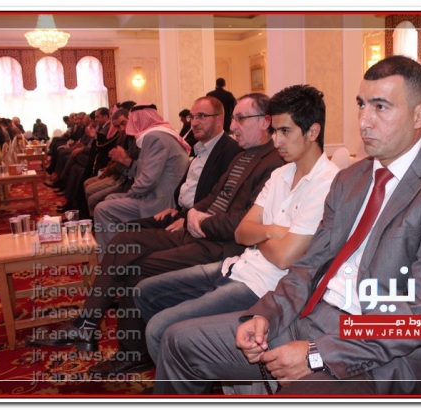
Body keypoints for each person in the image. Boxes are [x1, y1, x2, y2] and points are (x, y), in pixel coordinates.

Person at [152, 55, 421, 395]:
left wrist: (318, 354)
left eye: (381, 107)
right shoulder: (351, 179)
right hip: (314, 318)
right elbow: (308, 265)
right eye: (361, 105)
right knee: (179, 341)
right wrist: (265, 315)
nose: (364, 121)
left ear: (419, 115)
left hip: (390, 356)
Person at [27, 93, 284, 376]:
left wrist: (201, 222)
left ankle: (132, 353)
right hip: (196, 231)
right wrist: (190, 215)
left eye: (240, 119)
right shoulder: (243, 155)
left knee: (134, 268)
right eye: (233, 118)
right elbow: (211, 197)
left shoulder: (273, 163)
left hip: (220, 246)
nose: (233, 126)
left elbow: (245, 221)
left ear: (265, 122)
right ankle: (87, 324)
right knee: (124, 241)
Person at [135, 84, 339, 365]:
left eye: (284, 131)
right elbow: (243, 232)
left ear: (313, 132)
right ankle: (188, 368)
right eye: (274, 130)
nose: (276, 140)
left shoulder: (328, 184)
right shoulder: (280, 173)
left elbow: (283, 257)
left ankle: (184, 369)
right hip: (238, 264)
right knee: (144, 292)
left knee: (160, 328)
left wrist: (259, 235)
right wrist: (272, 231)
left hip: (263, 287)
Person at [93, 102, 191, 256]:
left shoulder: (155, 137)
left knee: (102, 209)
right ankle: (124, 251)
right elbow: (144, 171)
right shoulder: (156, 135)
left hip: (161, 201)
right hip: (154, 194)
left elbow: (148, 180)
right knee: (110, 198)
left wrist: (130, 194)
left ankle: (112, 257)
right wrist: (127, 162)